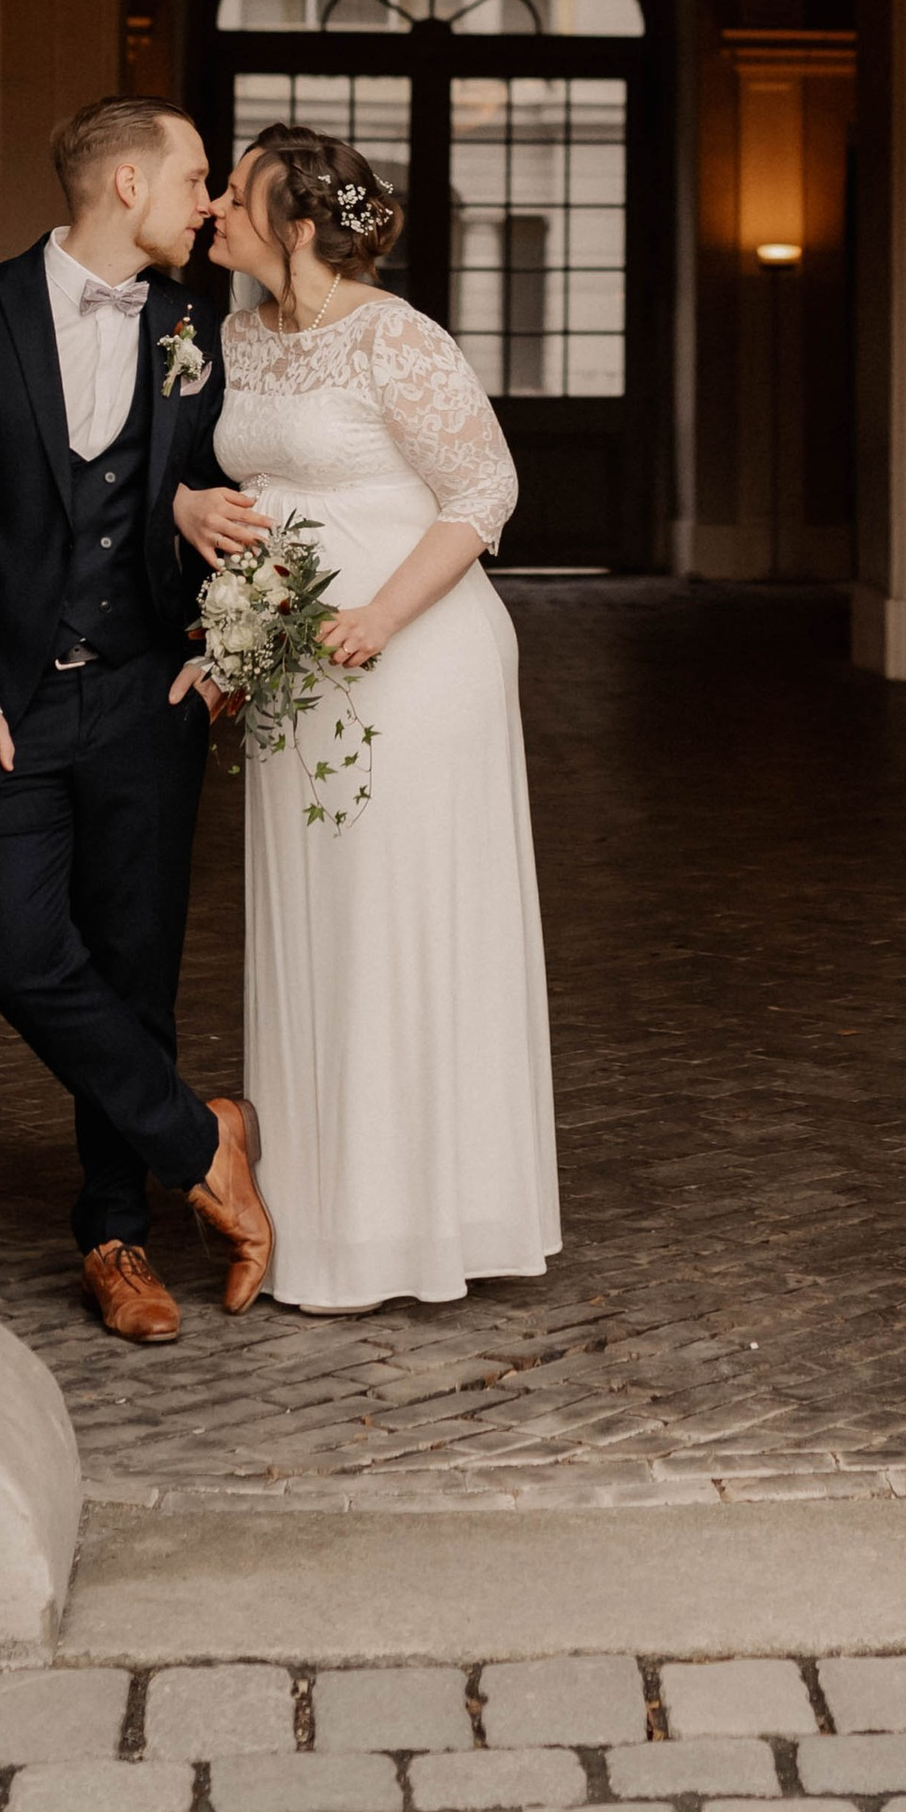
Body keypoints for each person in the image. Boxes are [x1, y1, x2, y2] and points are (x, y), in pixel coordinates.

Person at [0, 95, 275, 1345]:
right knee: (9, 949)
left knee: (133, 969)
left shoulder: (198, 326)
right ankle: (197, 1138)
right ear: (124, 187)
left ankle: (116, 1236)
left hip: (141, 695)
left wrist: (220, 633)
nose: (208, 202)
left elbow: (249, 494)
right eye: (195, 178)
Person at [181, 123, 560, 1311]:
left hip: (418, 660)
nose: (214, 212)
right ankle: (334, 1211)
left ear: (296, 224)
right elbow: (223, 481)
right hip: (300, 672)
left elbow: (484, 487)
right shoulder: (232, 335)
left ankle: (439, 1213)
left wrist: (384, 617)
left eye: (234, 194)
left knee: (406, 917)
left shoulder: (398, 335)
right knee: (320, 921)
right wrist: (202, 532)